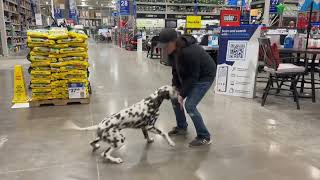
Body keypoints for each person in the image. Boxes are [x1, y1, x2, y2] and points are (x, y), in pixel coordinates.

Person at [158, 28, 216, 147]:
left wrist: (183, 94)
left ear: (174, 41)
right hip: (190, 76)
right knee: (174, 97)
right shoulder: (172, 52)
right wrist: (175, 88)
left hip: (204, 76)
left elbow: (193, 77)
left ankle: (204, 136)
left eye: (166, 45)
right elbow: (175, 71)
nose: (164, 48)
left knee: (190, 105)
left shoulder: (190, 51)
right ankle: (182, 127)